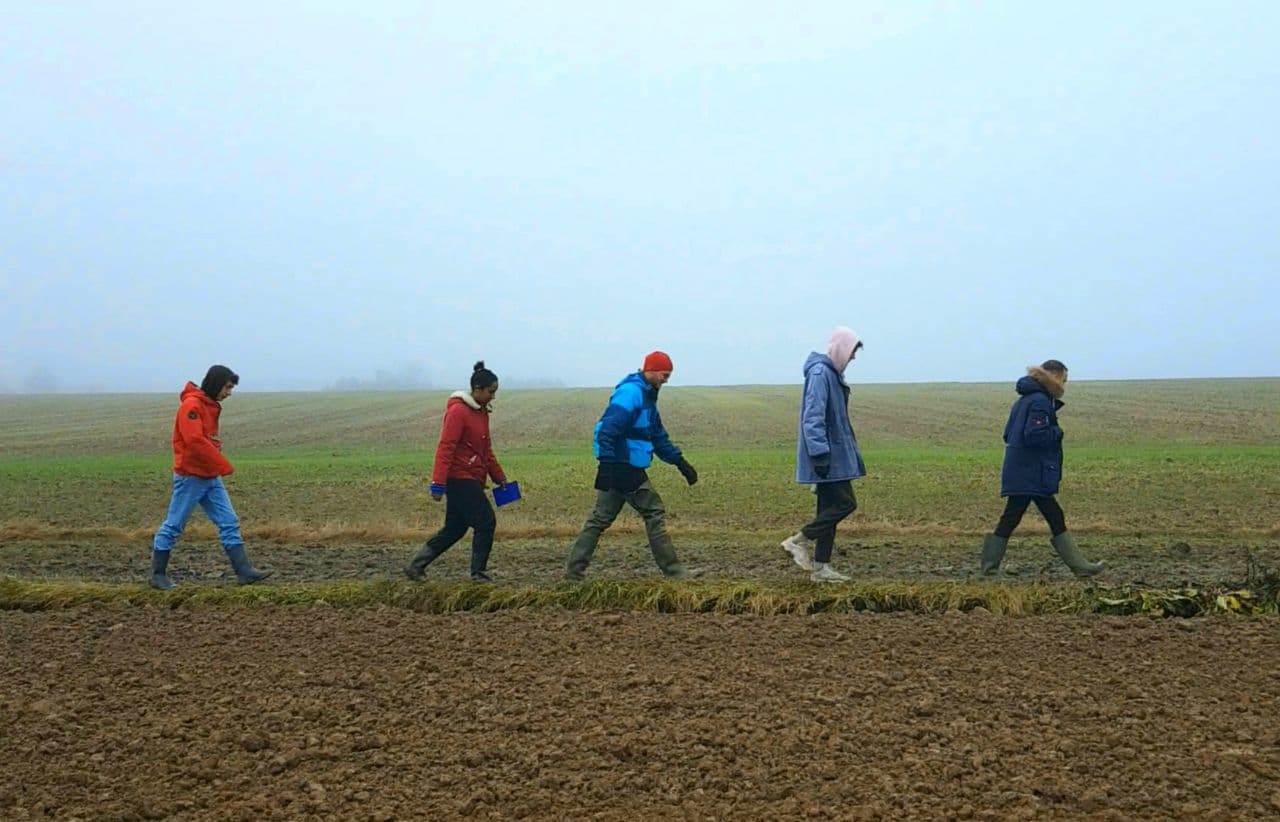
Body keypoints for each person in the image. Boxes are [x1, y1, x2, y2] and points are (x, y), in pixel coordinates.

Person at [565, 351, 698, 580]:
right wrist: (606, 465)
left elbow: (657, 437)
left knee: (600, 519)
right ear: (652, 371)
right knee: (654, 511)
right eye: (664, 375)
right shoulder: (630, 393)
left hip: (622, 465)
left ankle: (573, 573)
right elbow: (607, 430)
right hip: (623, 465)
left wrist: (680, 463)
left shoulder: (648, 398)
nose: (666, 380)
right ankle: (675, 572)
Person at [149, 365, 271, 589]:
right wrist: (222, 464)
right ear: (216, 383)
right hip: (191, 477)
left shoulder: (207, 405)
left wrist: (216, 460)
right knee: (174, 525)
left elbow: (207, 439)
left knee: (229, 522)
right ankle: (158, 575)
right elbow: (195, 441)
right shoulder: (192, 406)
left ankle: (244, 572)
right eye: (228, 387)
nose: (229, 393)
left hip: (209, 475)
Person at [979, 360, 1103, 578]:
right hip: (1031, 472)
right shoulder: (1040, 401)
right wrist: (1057, 432)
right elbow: (1035, 435)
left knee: (1026, 516)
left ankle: (990, 569)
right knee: (1039, 516)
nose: (1065, 384)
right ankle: (1080, 567)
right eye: (1064, 379)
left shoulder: (1023, 401)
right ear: (1054, 376)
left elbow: (1008, 435)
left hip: (1023, 470)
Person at [406, 361, 509, 582]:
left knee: (455, 529)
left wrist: (499, 476)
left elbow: (485, 450)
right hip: (459, 478)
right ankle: (478, 574)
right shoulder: (458, 412)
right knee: (486, 522)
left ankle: (416, 566)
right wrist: (438, 483)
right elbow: (446, 447)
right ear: (478, 389)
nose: (493, 396)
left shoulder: (481, 413)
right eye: (491, 392)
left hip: (471, 477)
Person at [781, 327, 866, 582]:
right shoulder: (821, 373)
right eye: (851, 352)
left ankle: (820, 569)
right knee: (845, 503)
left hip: (833, 456)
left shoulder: (831, 374)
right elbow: (813, 416)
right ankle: (798, 540)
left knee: (828, 510)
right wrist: (819, 454)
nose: (852, 358)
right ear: (841, 349)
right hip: (828, 457)